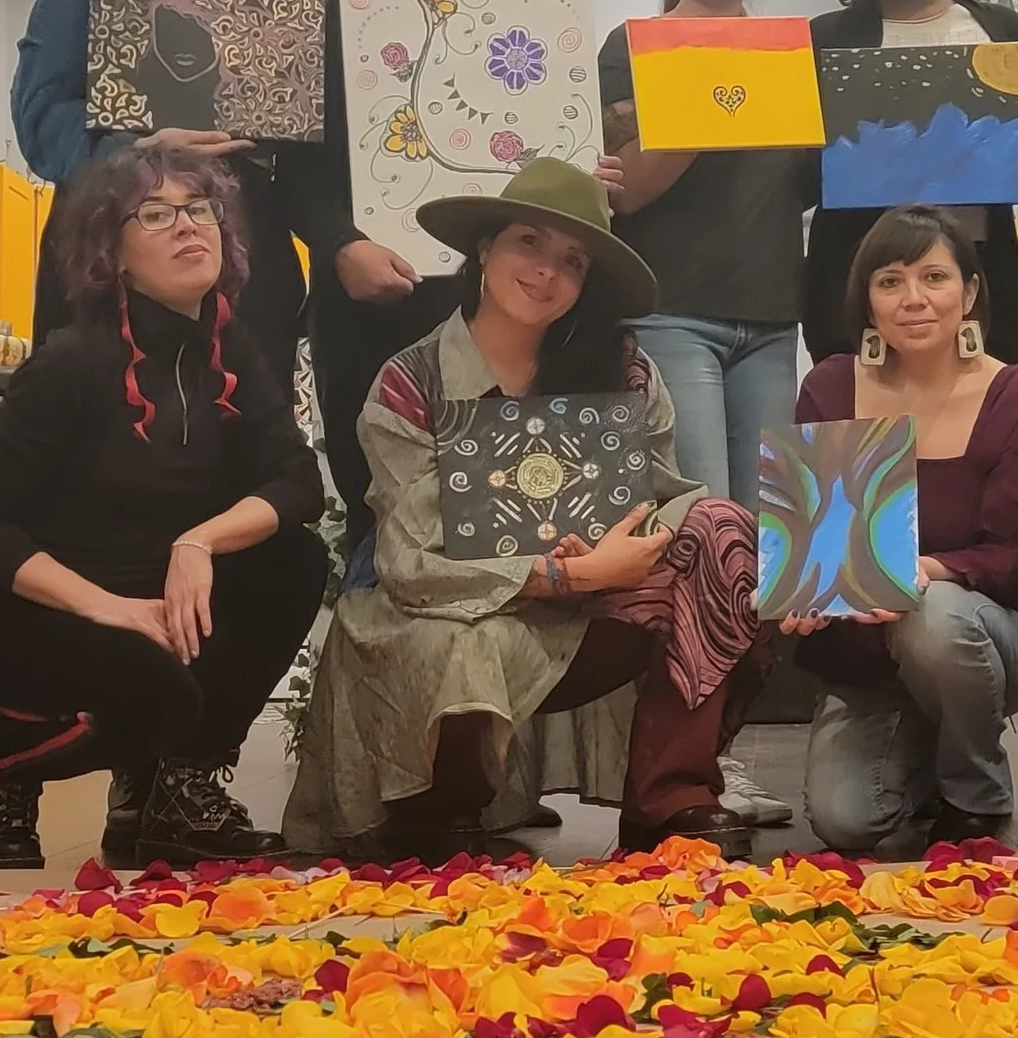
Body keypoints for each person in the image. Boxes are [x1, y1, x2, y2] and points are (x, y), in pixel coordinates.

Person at [282, 157, 767, 861]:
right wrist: (560, 574)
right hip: (449, 610)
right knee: (461, 642)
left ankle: (671, 798)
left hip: (588, 620)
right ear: (485, 247)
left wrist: (634, 547)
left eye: (571, 260)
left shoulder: (624, 368)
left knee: (720, 527)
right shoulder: (410, 382)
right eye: (528, 244)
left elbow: (671, 494)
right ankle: (442, 807)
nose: (546, 272)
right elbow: (410, 564)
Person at [0, 149, 328, 871]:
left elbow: (296, 483)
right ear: (114, 252)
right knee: (155, 691)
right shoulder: (71, 362)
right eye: (156, 213)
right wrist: (104, 605)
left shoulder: (233, 353)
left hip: (147, 606)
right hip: (4, 620)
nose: (187, 226)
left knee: (293, 559)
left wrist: (198, 542)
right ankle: (4, 765)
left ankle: (178, 789)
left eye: (199, 209)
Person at [11, 0, 365, 386]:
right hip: (114, 237)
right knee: (95, 436)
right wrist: (134, 153)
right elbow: (42, 105)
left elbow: (416, 32)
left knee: (245, 437)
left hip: (252, 251)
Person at [600, 0, 812, 830]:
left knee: (780, 551)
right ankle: (680, 780)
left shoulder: (793, 51)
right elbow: (626, 193)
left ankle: (713, 760)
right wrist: (701, 101)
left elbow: (810, 183)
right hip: (673, 314)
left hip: (773, 320)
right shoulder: (632, 47)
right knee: (704, 536)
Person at [313, 0, 562, 577]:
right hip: (377, 308)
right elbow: (297, 165)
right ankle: (384, 683)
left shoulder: (553, 24)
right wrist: (340, 244)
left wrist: (587, 179)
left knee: (515, 519)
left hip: (514, 318)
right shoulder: (354, 17)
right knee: (385, 521)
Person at [791, 207, 1018, 854]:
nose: (912, 299)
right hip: (866, 657)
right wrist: (806, 591)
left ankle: (976, 788)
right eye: (890, 281)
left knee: (931, 611)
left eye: (934, 277)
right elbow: (821, 542)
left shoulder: (1017, 399)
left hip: (988, 636)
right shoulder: (831, 386)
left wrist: (924, 571)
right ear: (867, 299)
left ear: (969, 292)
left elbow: (1014, 559)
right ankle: (927, 750)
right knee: (845, 823)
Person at [805, 0, 1018, 371]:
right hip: (858, 293)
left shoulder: (999, 31)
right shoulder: (824, 42)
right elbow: (800, 177)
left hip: (974, 290)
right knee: (865, 452)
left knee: (971, 443)